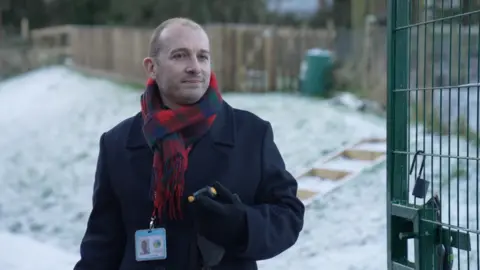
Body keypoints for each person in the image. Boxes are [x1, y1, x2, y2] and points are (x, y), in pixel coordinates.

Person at [74, 17, 305, 270]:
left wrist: (242, 224)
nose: (195, 67)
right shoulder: (117, 143)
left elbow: (288, 214)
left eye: (203, 56)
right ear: (152, 67)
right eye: (180, 56)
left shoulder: (251, 134)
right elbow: (101, 246)